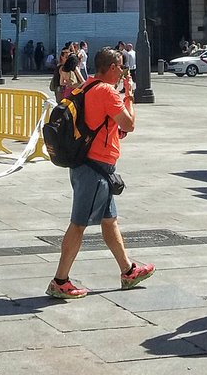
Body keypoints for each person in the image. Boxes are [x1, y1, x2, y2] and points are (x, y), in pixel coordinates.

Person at [46, 46, 154, 299]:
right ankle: (60, 280)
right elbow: (129, 124)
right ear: (114, 67)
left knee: (109, 221)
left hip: (89, 166)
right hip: (94, 169)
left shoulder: (87, 86)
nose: (123, 71)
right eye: (122, 66)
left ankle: (128, 270)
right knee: (78, 224)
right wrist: (129, 95)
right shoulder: (106, 91)